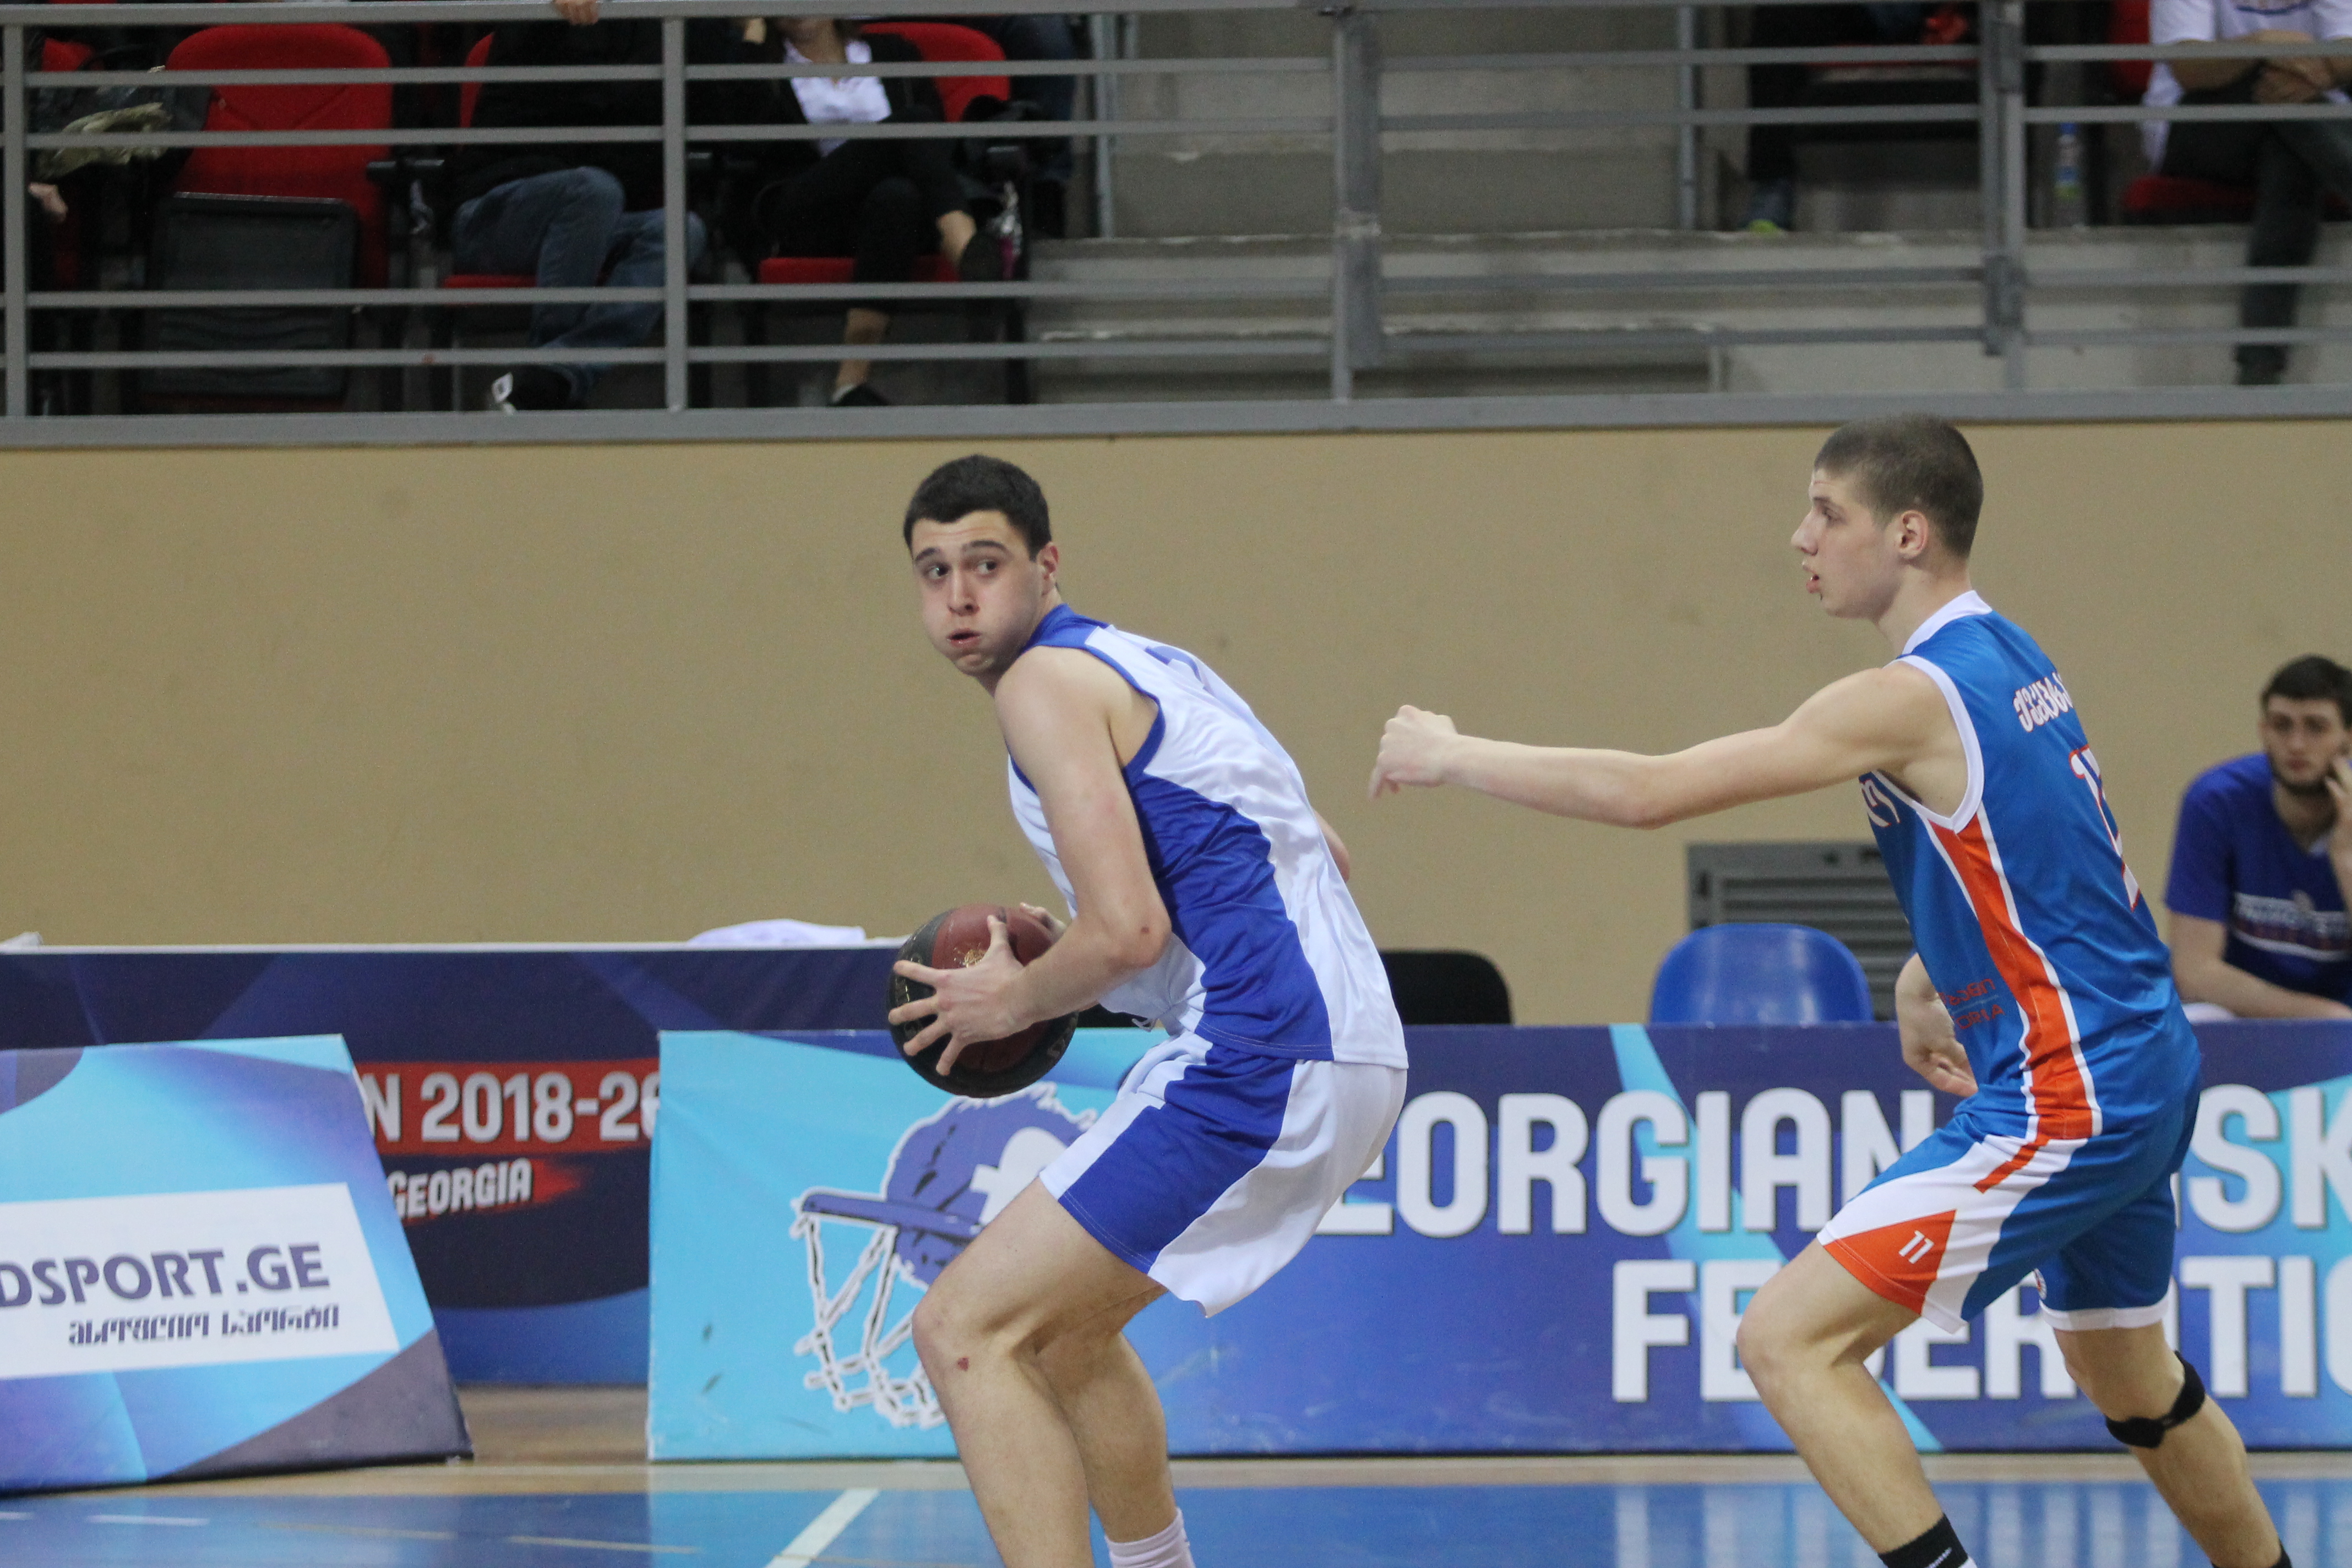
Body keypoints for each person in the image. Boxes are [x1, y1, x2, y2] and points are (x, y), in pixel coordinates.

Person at [1369, 415, 2290, 1568]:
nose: (1800, 537)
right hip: (2148, 1061)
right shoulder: (2014, 656)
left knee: (1786, 1340)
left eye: (1826, 512)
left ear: (1906, 533)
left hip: (2073, 1089)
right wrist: (1928, 966)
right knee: (2133, 1381)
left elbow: (1652, 792)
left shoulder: (1907, 696)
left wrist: (1451, 753)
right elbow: (2057, 866)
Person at [887, 454, 1406, 1568]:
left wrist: (1014, 997)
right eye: (934, 572)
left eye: (985, 563)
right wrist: (1094, 959)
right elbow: (1318, 854)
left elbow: (1126, 930)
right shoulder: (1159, 666)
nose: (960, 596)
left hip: (1266, 1047)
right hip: (1343, 1042)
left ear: (1047, 564)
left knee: (964, 1327)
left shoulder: (1041, 685)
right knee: (1065, 1337)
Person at [448, 2, 733, 411]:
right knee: (594, 189)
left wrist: (740, 32)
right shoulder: (542, 18)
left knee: (680, 229)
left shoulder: (667, 29)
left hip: (596, 216)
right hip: (494, 218)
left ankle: (553, 377)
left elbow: (715, 112)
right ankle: (544, 382)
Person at [732, 17, 1001, 407]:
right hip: (807, 210)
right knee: (912, 124)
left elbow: (937, 147)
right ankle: (967, 251)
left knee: (898, 196)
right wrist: (753, 38)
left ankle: (849, 384)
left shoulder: (895, 53)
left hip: (882, 218)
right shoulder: (764, 67)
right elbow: (741, 137)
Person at [2142, 0, 2352, 385]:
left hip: (2301, 125)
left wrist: (2318, 69)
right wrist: (2260, 46)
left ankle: (2260, 367)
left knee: (2289, 154)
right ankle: (2261, 359)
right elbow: (2190, 68)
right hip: (2200, 129)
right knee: (2275, 97)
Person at [2165, 655, 2352, 1018]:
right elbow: (2194, 971)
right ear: (2263, 730)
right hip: (2245, 1013)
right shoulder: (2216, 802)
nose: (2296, 744)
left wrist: (2346, 859)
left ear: (2348, 738)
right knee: (2193, 1018)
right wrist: (2324, 1018)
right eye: (2282, 725)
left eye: (2316, 727)